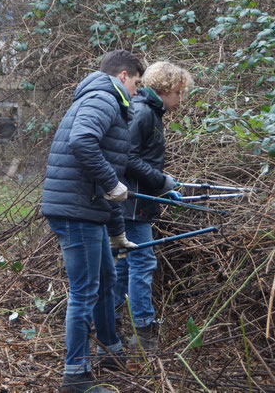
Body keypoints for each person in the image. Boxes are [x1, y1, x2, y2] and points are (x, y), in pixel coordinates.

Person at [41, 50, 145, 393]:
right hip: (76, 213)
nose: (137, 92)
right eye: (137, 84)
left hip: (86, 210)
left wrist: (116, 233)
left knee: (106, 278)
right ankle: (76, 375)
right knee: (85, 291)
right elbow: (83, 143)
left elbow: (108, 180)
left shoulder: (107, 100)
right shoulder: (103, 97)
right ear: (124, 76)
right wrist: (115, 184)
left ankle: (110, 351)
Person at [115, 61, 193, 350]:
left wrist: (162, 185)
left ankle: (112, 328)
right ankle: (144, 333)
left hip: (136, 201)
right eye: (178, 93)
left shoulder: (150, 112)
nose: (180, 100)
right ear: (165, 89)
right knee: (142, 262)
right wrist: (162, 182)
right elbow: (127, 159)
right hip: (133, 204)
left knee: (124, 265)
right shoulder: (143, 112)